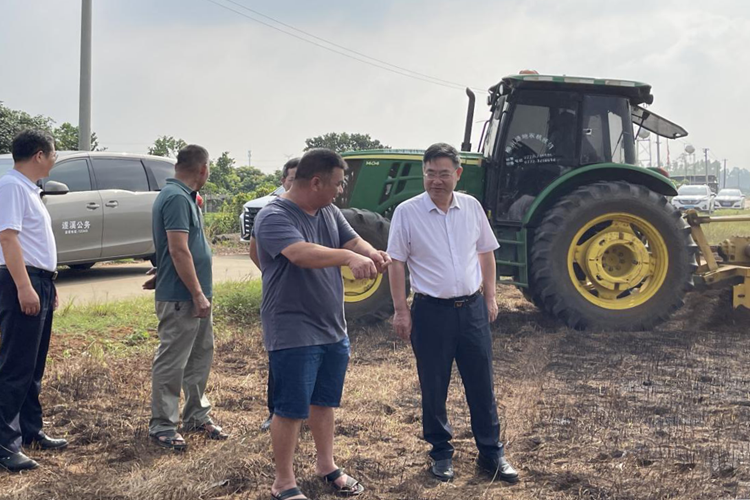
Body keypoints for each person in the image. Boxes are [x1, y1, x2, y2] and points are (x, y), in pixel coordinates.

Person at [254, 148, 390, 500]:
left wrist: (370, 251)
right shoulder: (273, 215)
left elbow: (352, 239)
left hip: (331, 324)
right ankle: (283, 482)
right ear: (315, 182)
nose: (340, 191)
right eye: (337, 184)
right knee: (289, 408)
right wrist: (348, 257)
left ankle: (326, 465)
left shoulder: (328, 211)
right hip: (293, 327)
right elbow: (300, 254)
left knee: (324, 402)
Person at [387, 143, 519, 483]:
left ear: (457, 174)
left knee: (481, 383)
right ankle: (441, 453)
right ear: (424, 174)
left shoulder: (472, 208)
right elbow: (397, 263)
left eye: (444, 174)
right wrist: (401, 309)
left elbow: (486, 253)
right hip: (431, 312)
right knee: (434, 385)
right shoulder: (407, 212)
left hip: (472, 309)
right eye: (430, 173)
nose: (436, 181)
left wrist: (490, 297)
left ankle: (491, 453)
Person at [148, 144, 228, 450]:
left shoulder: (185, 198)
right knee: (173, 360)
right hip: (184, 297)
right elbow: (177, 248)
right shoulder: (176, 198)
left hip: (194, 294)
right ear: (203, 169)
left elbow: (182, 250)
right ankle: (163, 424)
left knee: (199, 355)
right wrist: (196, 292)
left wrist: (165, 275)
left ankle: (196, 414)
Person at [0, 129, 68, 472]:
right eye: (53, 153)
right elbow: (8, 239)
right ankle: (4, 444)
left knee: (33, 365)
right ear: (39, 155)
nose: (55, 160)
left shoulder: (29, 190)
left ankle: (30, 431)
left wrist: (46, 284)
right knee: (16, 366)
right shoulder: (12, 187)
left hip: (37, 280)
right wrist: (25, 287)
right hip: (20, 281)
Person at [249, 157, 299, 431]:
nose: (296, 184)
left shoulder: (320, 211)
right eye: (292, 179)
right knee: (280, 363)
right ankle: (275, 413)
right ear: (284, 182)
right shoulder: (271, 214)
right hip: (283, 305)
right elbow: (256, 252)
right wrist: (273, 273)